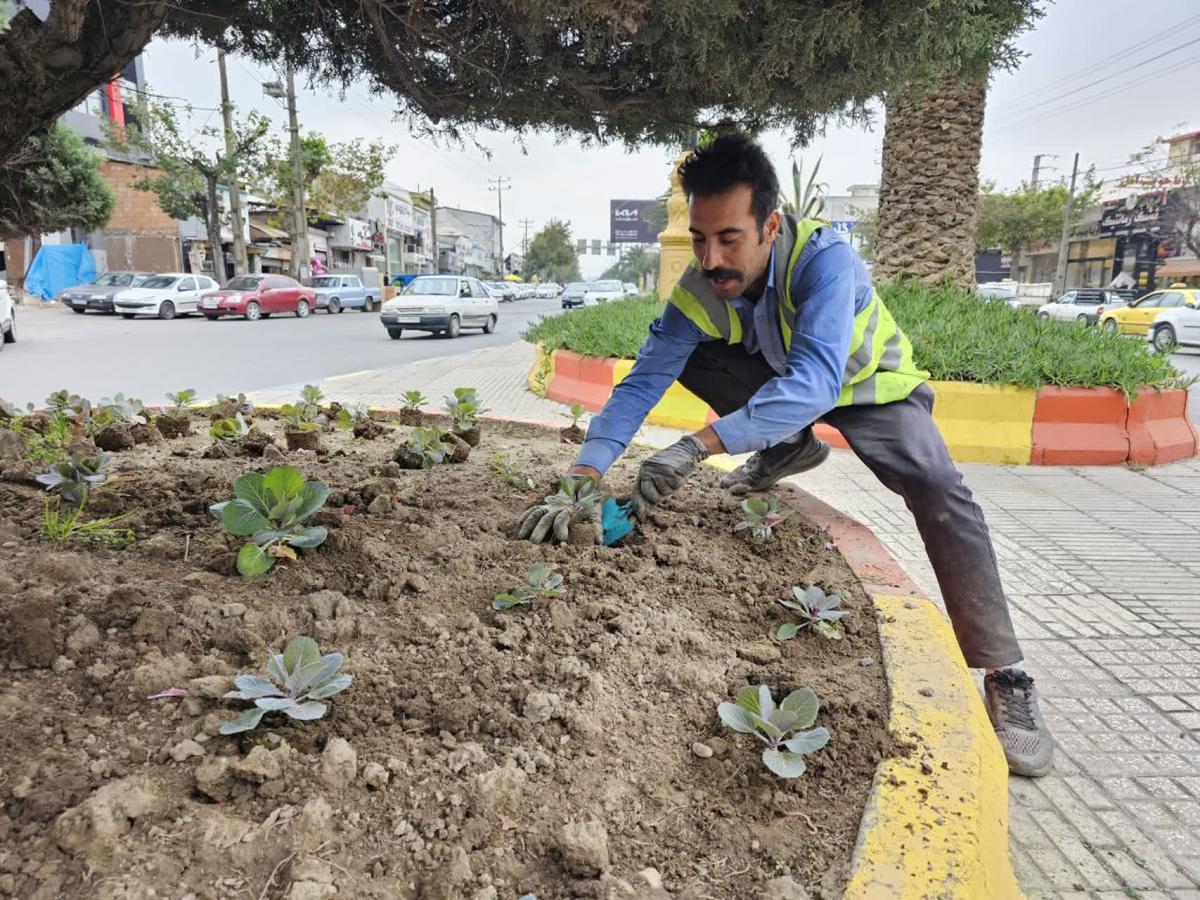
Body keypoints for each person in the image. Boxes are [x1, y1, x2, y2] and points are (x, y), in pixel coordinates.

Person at [519, 133, 1053, 777]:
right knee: (683, 354)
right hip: (780, 383)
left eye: (730, 238)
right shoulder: (700, 287)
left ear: (771, 224)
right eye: (699, 238)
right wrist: (583, 473)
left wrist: (698, 446)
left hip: (864, 388)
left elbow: (819, 382)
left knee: (937, 485)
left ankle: (1007, 671)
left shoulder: (826, 261)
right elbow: (641, 383)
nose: (712, 258)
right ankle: (788, 441)